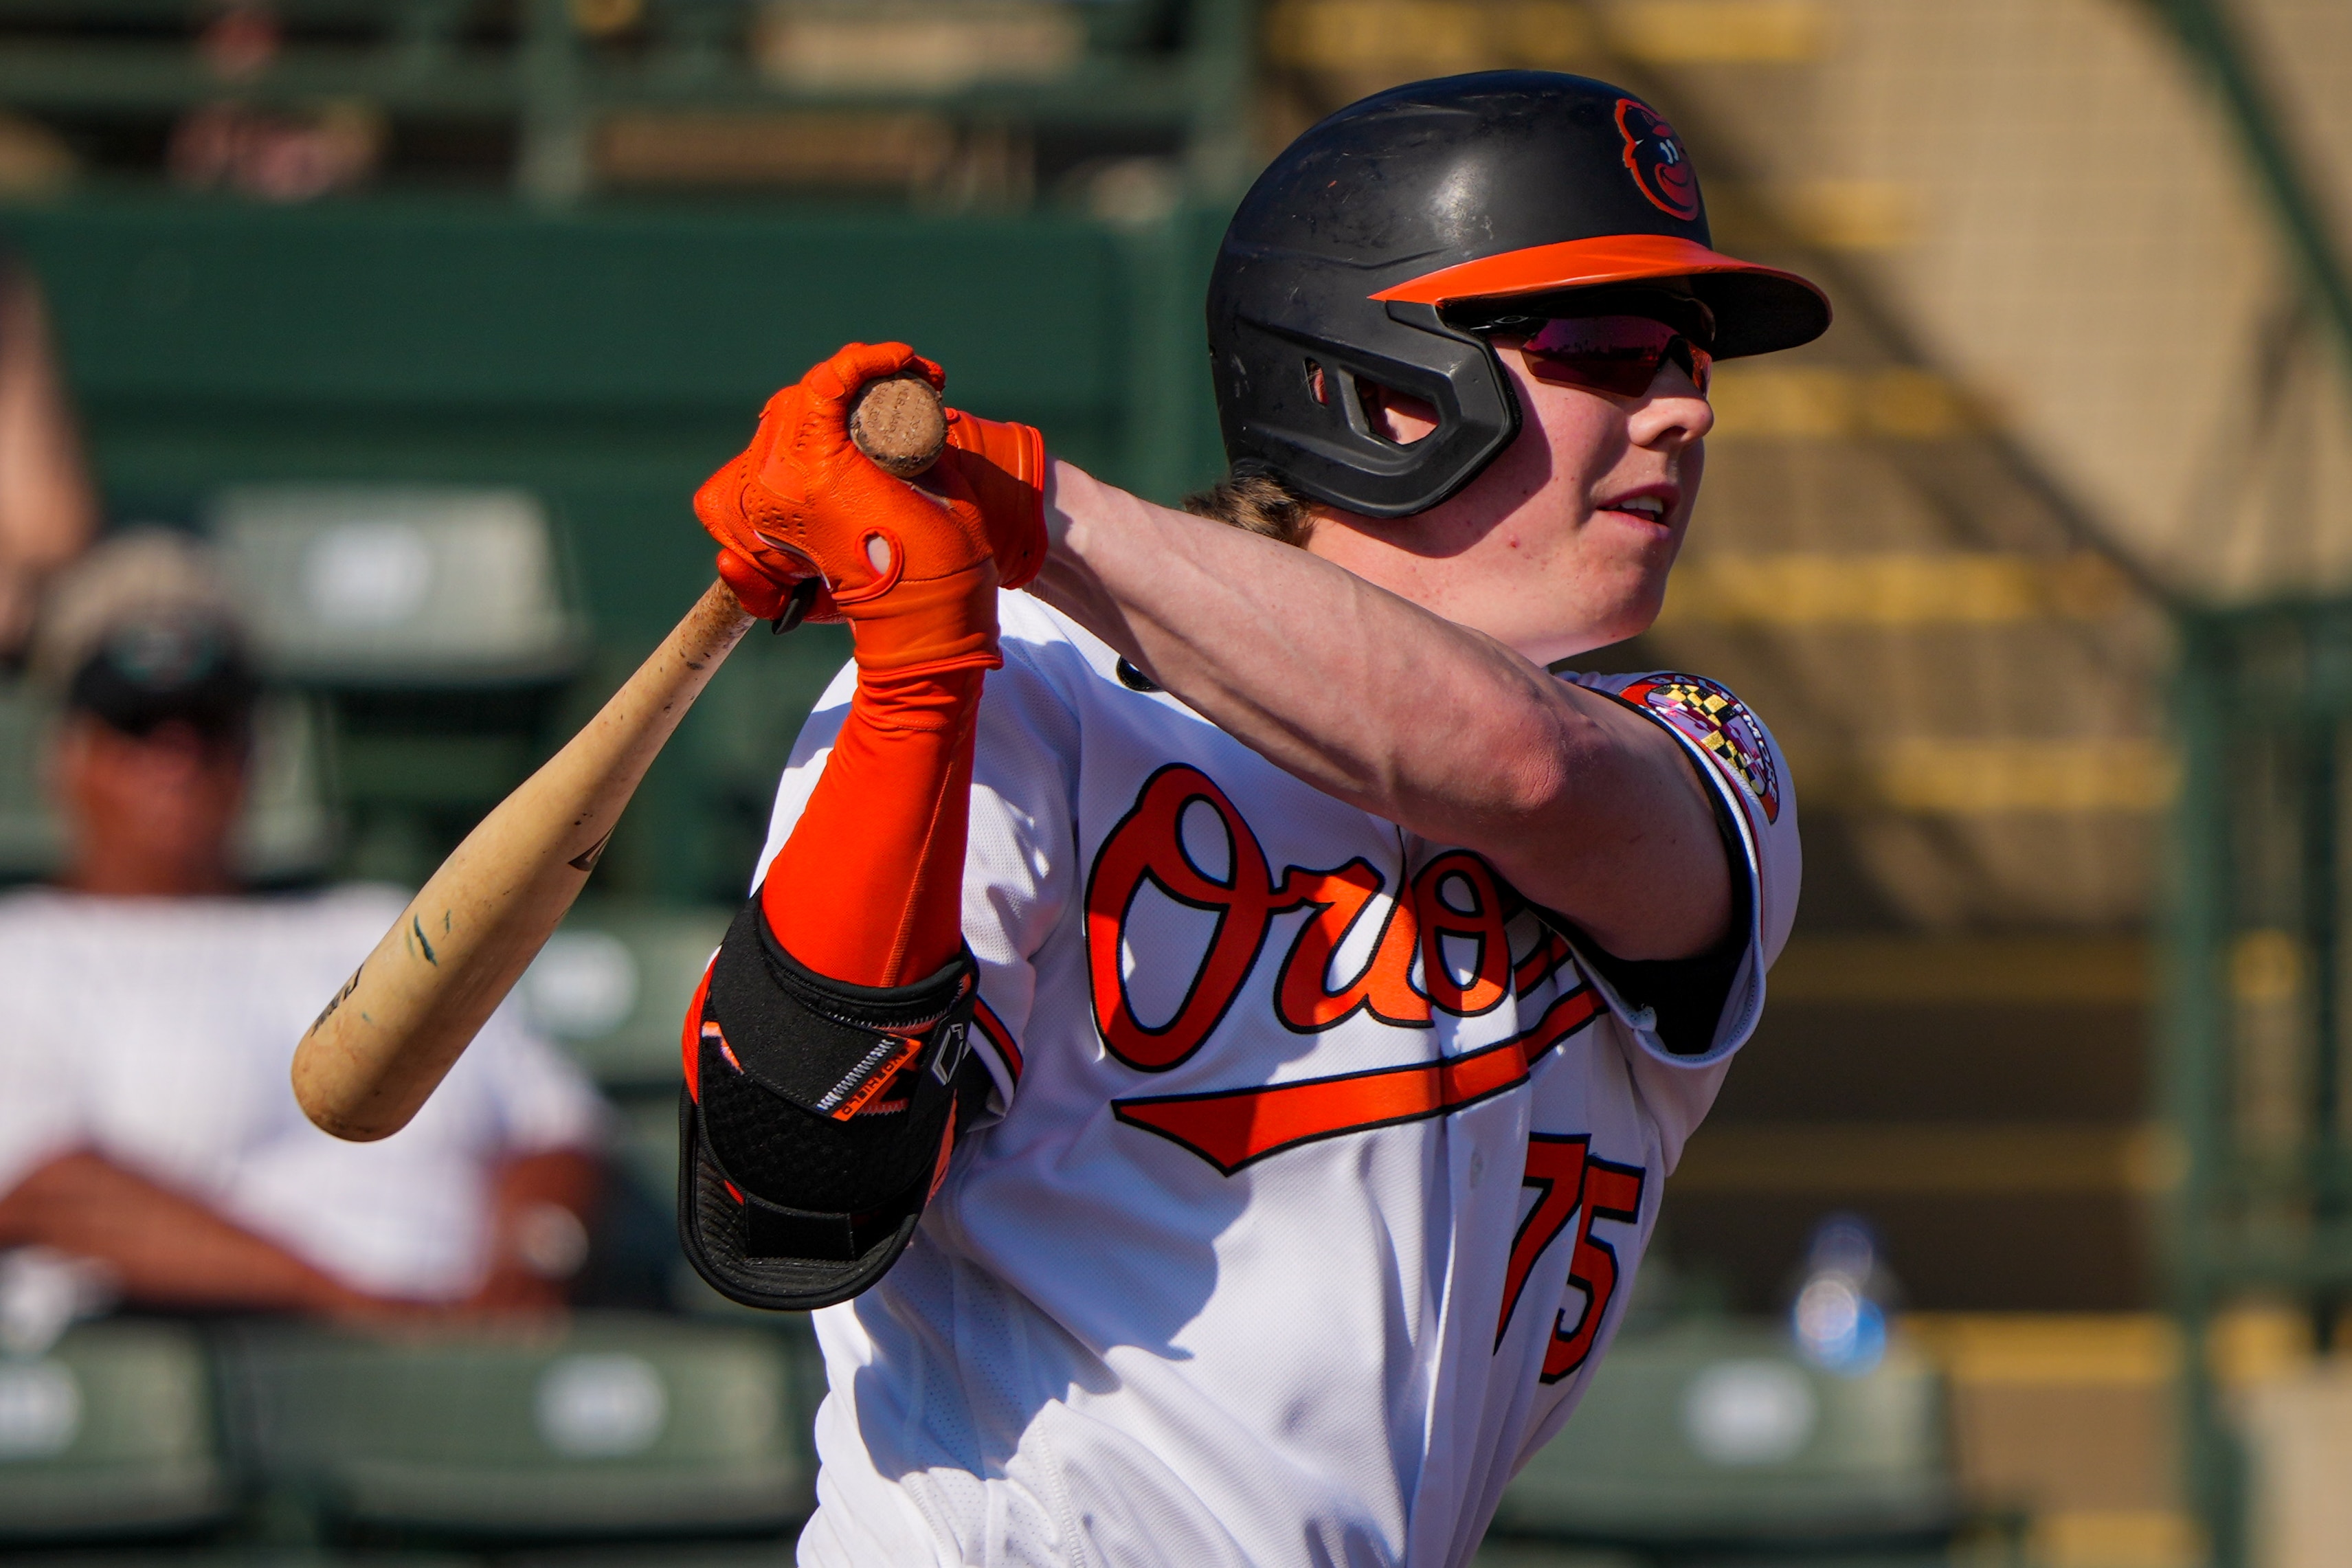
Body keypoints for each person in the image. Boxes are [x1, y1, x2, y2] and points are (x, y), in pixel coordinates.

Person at [683, 72, 1820, 1566]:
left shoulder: (1697, 761)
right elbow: (793, 1183)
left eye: (1690, 357)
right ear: (1383, 382)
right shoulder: (1028, 684)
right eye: (1604, 347)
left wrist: (1032, 508)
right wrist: (910, 691)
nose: (1682, 404)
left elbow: (1515, 765)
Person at [0, 531, 608, 1322]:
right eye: (139, 725)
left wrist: (528, 1254)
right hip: (219, 1365)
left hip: (462, 1343)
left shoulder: (368, 920)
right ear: (70, 756)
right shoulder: (27, 948)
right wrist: (350, 1301)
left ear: (255, 750)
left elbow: (555, 1124)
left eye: (208, 724)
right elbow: (48, 1188)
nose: (179, 758)